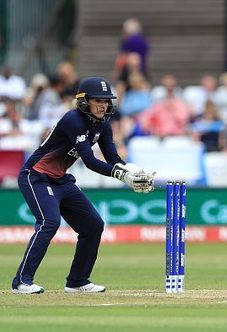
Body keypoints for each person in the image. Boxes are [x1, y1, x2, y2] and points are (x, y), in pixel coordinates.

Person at [11, 77, 155, 294]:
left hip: (61, 179)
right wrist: (121, 176)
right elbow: (89, 161)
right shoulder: (73, 119)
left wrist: (132, 172)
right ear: (84, 101)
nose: (103, 105)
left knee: (93, 225)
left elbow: (113, 158)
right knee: (49, 222)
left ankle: (77, 281)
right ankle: (21, 281)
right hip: (36, 176)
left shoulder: (103, 126)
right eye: (97, 100)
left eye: (106, 101)